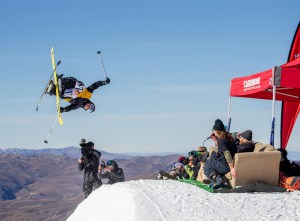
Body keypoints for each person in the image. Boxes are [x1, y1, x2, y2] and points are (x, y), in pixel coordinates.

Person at [46, 75, 110, 113]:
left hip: (64, 93)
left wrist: (63, 109)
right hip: (71, 83)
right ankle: (61, 81)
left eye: (86, 109)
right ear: (91, 104)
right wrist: (104, 82)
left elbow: (70, 108)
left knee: (70, 95)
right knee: (80, 90)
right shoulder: (88, 95)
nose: (86, 108)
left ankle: (52, 90)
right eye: (88, 107)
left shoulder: (78, 105)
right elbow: (95, 85)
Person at [203, 119, 237, 189]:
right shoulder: (230, 138)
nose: (213, 132)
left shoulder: (221, 140)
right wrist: (216, 141)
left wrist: (232, 168)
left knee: (207, 165)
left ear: (216, 131)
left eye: (213, 130)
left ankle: (219, 180)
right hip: (226, 164)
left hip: (225, 166)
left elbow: (227, 154)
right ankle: (217, 179)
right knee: (212, 157)